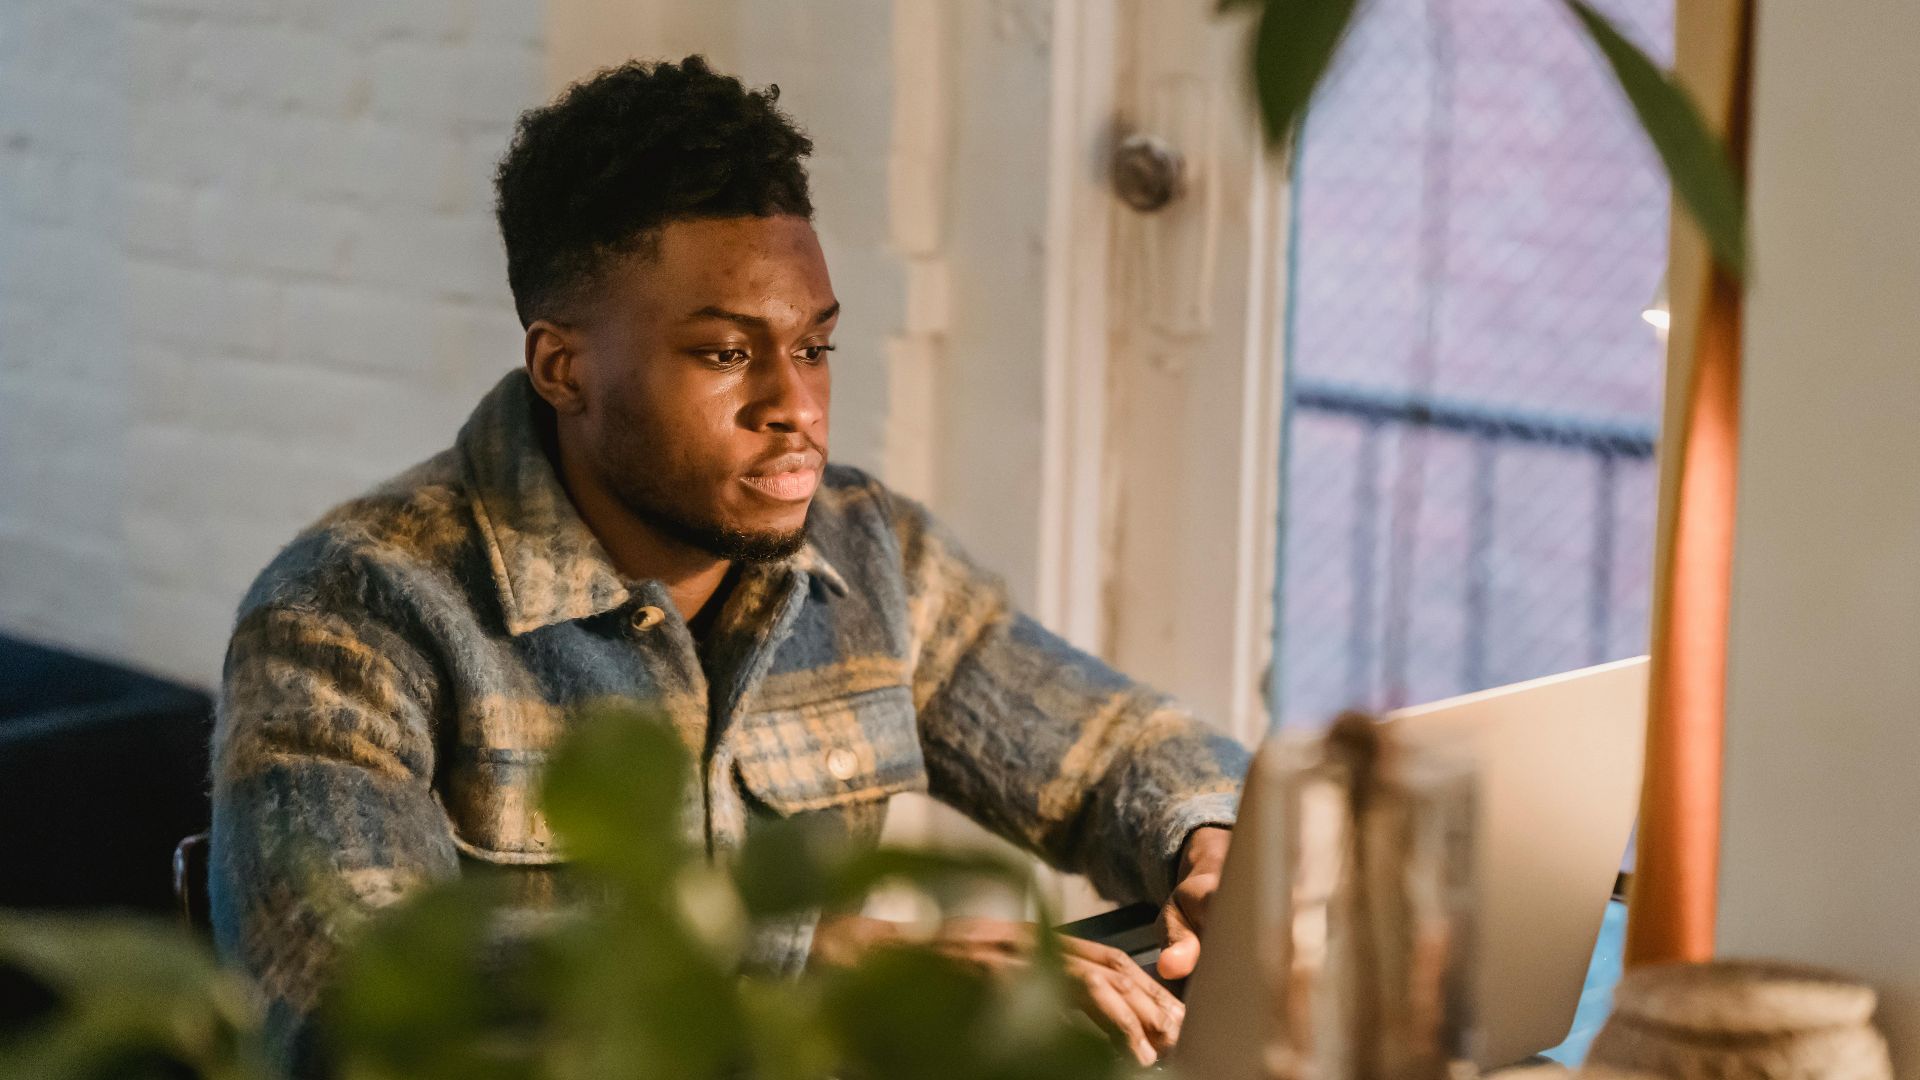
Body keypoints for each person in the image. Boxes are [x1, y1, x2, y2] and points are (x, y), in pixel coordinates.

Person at [210, 55, 1248, 1074]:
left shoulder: (868, 551)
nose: (796, 407)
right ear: (562, 368)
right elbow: (356, 990)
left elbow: (1116, 749)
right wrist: (814, 958)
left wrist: (1211, 842)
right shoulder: (349, 610)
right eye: (726, 354)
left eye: (815, 348)